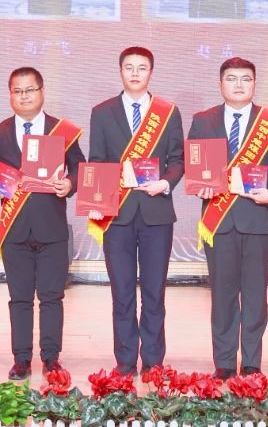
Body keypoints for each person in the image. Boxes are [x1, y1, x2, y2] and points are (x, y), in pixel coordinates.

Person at [189, 57, 268, 378]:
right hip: (218, 220)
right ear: (220, 84)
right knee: (222, 295)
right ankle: (224, 363)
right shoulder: (203, 120)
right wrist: (199, 187)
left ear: (254, 83)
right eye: (232, 78)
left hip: (259, 219)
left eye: (246, 79)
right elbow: (195, 162)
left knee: (255, 295)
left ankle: (251, 362)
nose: (239, 85)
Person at [87, 46, 184, 376]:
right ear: (120, 71)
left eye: (142, 68)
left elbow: (177, 161)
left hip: (157, 213)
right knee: (123, 292)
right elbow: (97, 161)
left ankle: (153, 361)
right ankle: (126, 360)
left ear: (151, 73)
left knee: (154, 292)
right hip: (117, 215)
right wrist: (102, 195)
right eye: (129, 67)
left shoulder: (167, 113)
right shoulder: (102, 112)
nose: (135, 73)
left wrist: (166, 183)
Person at [0, 67, 85, 380]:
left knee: (52, 297)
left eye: (30, 90)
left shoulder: (61, 130)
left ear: (42, 92)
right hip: (14, 229)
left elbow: (80, 169)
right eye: (18, 91)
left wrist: (69, 184)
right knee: (20, 298)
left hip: (51, 228)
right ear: (10, 95)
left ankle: (51, 358)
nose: (24, 96)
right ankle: (21, 360)